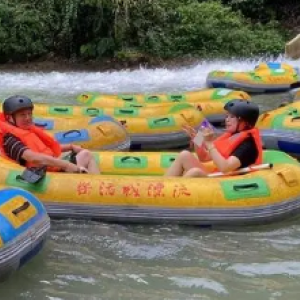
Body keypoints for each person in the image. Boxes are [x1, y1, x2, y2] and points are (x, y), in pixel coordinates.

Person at [0, 95, 100, 174]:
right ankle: (95, 184)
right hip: (42, 174)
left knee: (85, 154)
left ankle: (94, 181)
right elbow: (33, 158)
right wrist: (67, 165)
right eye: (23, 115)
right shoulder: (10, 139)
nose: (28, 118)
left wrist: (70, 146)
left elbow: (44, 149)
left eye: (29, 114)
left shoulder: (27, 130)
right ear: (10, 118)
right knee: (86, 155)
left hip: (49, 167)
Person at [165, 99, 262, 177]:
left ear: (245, 122)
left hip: (225, 182)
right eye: (227, 116)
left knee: (195, 172)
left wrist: (209, 143)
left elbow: (225, 167)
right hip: (218, 176)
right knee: (184, 155)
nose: (227, 120)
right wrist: (197, 139)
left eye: (232, 117)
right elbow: (204, 157)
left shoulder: (248, 145)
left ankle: (170, 197)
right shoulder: (230, 136)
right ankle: (165, 187)